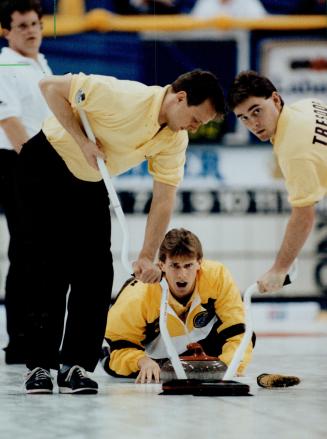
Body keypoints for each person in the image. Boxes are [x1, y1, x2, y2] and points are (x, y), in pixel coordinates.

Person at [15, 69, 225, 394]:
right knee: (46, 268)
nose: (195, 128)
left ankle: (76, 366)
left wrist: (146, 255)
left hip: (92, 178)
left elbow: (164, 196)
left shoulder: (174, 138)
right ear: (180, 98)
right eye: (196, 119)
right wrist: (82, 140)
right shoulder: (123, 95)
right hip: (45, 164)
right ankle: (39, 366)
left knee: (97, 273)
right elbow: (50, 87)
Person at [102, 228, 255, 383]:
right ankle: (105, 358)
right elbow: (120, 347)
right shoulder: (137, 296)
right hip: (153, 354)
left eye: (188, 265)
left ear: (199, 263)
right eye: (175, 266)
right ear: (161, 265)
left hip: (196, 345)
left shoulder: (217, 277)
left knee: (244, 333)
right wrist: (142, 361)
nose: (182, 275)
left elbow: (238, 331)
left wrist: (227, 367)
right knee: (130, 369)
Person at [227, 70, 327, 293]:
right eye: (244, 118)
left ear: (274, 99)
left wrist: (279, 269)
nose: (253, 123)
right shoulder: (308, 105)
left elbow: (304, 216)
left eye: (256, 111)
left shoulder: (294, 150)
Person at [0, 0, 52, 364]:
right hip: (16, 162)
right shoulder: (5, 64)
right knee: (26, 249)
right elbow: (9, 120)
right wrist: (38, 164)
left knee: (36, 251)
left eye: (35, 23)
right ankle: (19, 341)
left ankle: (34, 334)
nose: (31, 30)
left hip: (39, 161)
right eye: (22, 26)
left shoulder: (39, 63)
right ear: (6, 31)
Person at [191, 0, 267, 19]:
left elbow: (261, 29)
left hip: (244, 51)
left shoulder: (248, 2)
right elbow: (192, 33)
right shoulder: (206, 2)